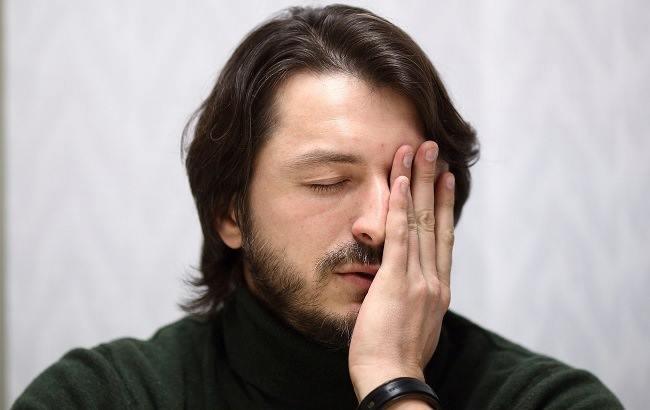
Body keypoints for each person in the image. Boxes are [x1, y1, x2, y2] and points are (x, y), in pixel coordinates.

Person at [13, 5, 622, 410]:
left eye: (407, 184)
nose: (379, 223)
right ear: (230, 214)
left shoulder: (547, 399)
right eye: (329, 182)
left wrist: (393, 380)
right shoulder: (99, 396)